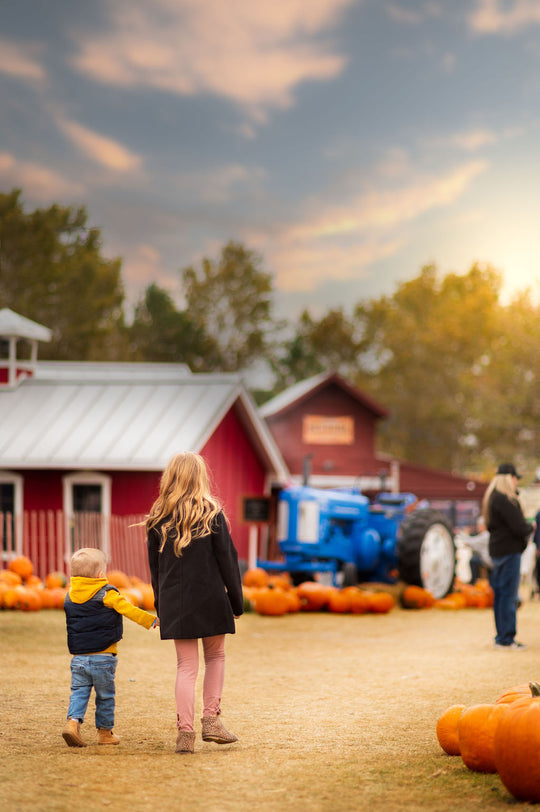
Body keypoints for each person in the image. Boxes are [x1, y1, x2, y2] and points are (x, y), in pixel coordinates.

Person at [146, 452, 244, 754]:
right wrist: (236, 602)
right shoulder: (211, 513)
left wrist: (161, 606)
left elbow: (156, 569)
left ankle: (185, 735)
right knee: (215, 658)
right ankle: (211, 721)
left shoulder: (157, 519)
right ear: (200, 476)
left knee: (185, 667)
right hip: (211, 598)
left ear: (170, 478)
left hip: (176, 603)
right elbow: (228, 561)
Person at [62, 547, 159, 747]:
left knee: (79, 691)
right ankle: (105, 734)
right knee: (105, 696)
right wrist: (151, 620)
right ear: (100, 574)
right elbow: (129, 610)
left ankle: (72, 724)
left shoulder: (69, 596)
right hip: (103, 657)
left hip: (78, 658)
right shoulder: (107, 594)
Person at [482, 463, 535, 650]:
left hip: (496, 551)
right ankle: (507, 638)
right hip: (510, 551)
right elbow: (519, 527)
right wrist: (531, 527)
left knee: (500, 595)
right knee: (509, 595)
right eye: (515, 478)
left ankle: (501, 636)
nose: (516, 482)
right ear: (509, 478)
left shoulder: (491, 499)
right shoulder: (505, 500)